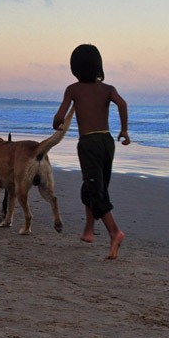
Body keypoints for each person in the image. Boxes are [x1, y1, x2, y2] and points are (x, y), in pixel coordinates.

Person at [53, 44, 130, 259]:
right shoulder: (108, 89)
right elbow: (122, 105)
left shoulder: (73, 89)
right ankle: (88, 231)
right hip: (107, 141)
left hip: (88, 144)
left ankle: (115, 232)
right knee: (93, 187)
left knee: (96, 191)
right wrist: (124, 130)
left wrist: (56, 123)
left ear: (74, 67)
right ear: (99, 66)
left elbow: (60, 116)